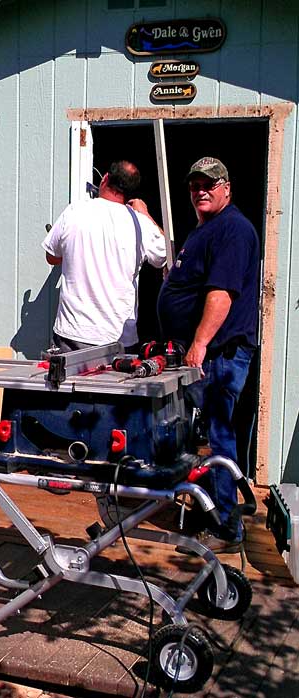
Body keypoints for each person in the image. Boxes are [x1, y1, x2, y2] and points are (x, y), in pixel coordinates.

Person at [157, 156, 260, 553]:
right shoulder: (208, 228)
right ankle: (210, 509)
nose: (201, 190)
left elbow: (222, 294)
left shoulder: (232, 230)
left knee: (219, 437)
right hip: (204, 354)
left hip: (219, 354)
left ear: (227, 187)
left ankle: (226, 529)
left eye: (209, 184)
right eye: (194, 185)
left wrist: (199, 343)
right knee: (205, 436)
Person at [42, 160, 166, 353]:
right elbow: (165, 256)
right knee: (115, 383)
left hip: (73, 333)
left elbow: (51, 257)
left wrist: (76, 253)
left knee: (71, 383)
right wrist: (146, 214)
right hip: (118, 337)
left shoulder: (75, 211)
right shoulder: (140, 223)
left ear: (105, 178)